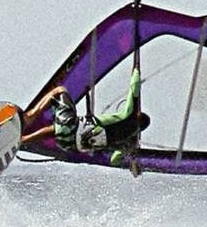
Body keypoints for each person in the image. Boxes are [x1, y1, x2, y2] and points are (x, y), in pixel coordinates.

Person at [20, 68, 149, 167]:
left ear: (137, 116)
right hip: (69, 147)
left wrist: (136, 71)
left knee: (60, 91)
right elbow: (114, 160)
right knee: (59, 130)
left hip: (71, 128)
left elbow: (134, 88)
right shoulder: (126, 143)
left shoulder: (127, 115)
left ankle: (29, 118)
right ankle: (24, 140)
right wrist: (129, 155)